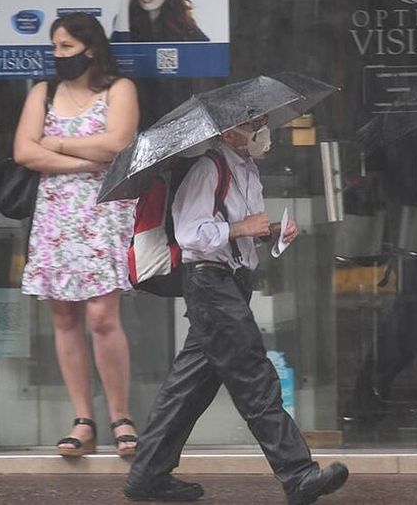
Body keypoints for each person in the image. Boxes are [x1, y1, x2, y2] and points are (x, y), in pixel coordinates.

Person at [124, 117, 349, 504]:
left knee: (189, 387)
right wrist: (242, 229)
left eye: (263, 123)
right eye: (254, 125)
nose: (263, 131)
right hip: (209, 285)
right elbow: (191, 235)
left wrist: (271, 232)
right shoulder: (208, 168)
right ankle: (298, 474)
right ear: (229, 133)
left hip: (229, 284)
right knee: (254, 378)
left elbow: (239, 234)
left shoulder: (246, 171)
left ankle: (147, 475)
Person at [14, 12, 141, 457]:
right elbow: (24, 151)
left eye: (65, 47)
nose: (57, 55)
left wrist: (58, 144)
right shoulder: (42, 92)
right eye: (54, 47)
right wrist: (86, 161)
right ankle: (83, 419)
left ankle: (121, 416)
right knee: (64, 318)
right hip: (56, 216)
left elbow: (118, 144)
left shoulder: (119, 89)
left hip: (103, 215)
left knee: (102, 317)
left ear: (91, 48)